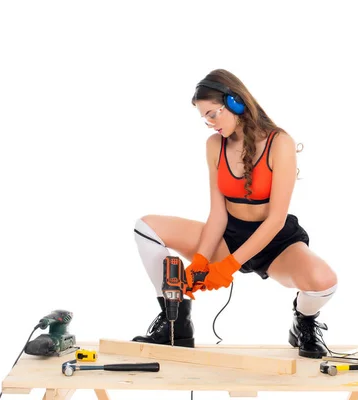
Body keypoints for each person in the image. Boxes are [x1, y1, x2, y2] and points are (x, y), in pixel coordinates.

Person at [132, 69, 338, 359]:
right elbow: (218, 214)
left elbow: (276, 219)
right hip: (230, 234)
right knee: (146, 227)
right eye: (204, 118)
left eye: (213, 114)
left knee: (324, 281)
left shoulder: (280, 143)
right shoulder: (214, 145)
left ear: (236, 103)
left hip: (275, 241)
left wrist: (228, 266)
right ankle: (174, 321)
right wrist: (203, 260)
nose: (209, 124)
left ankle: (303, 322)